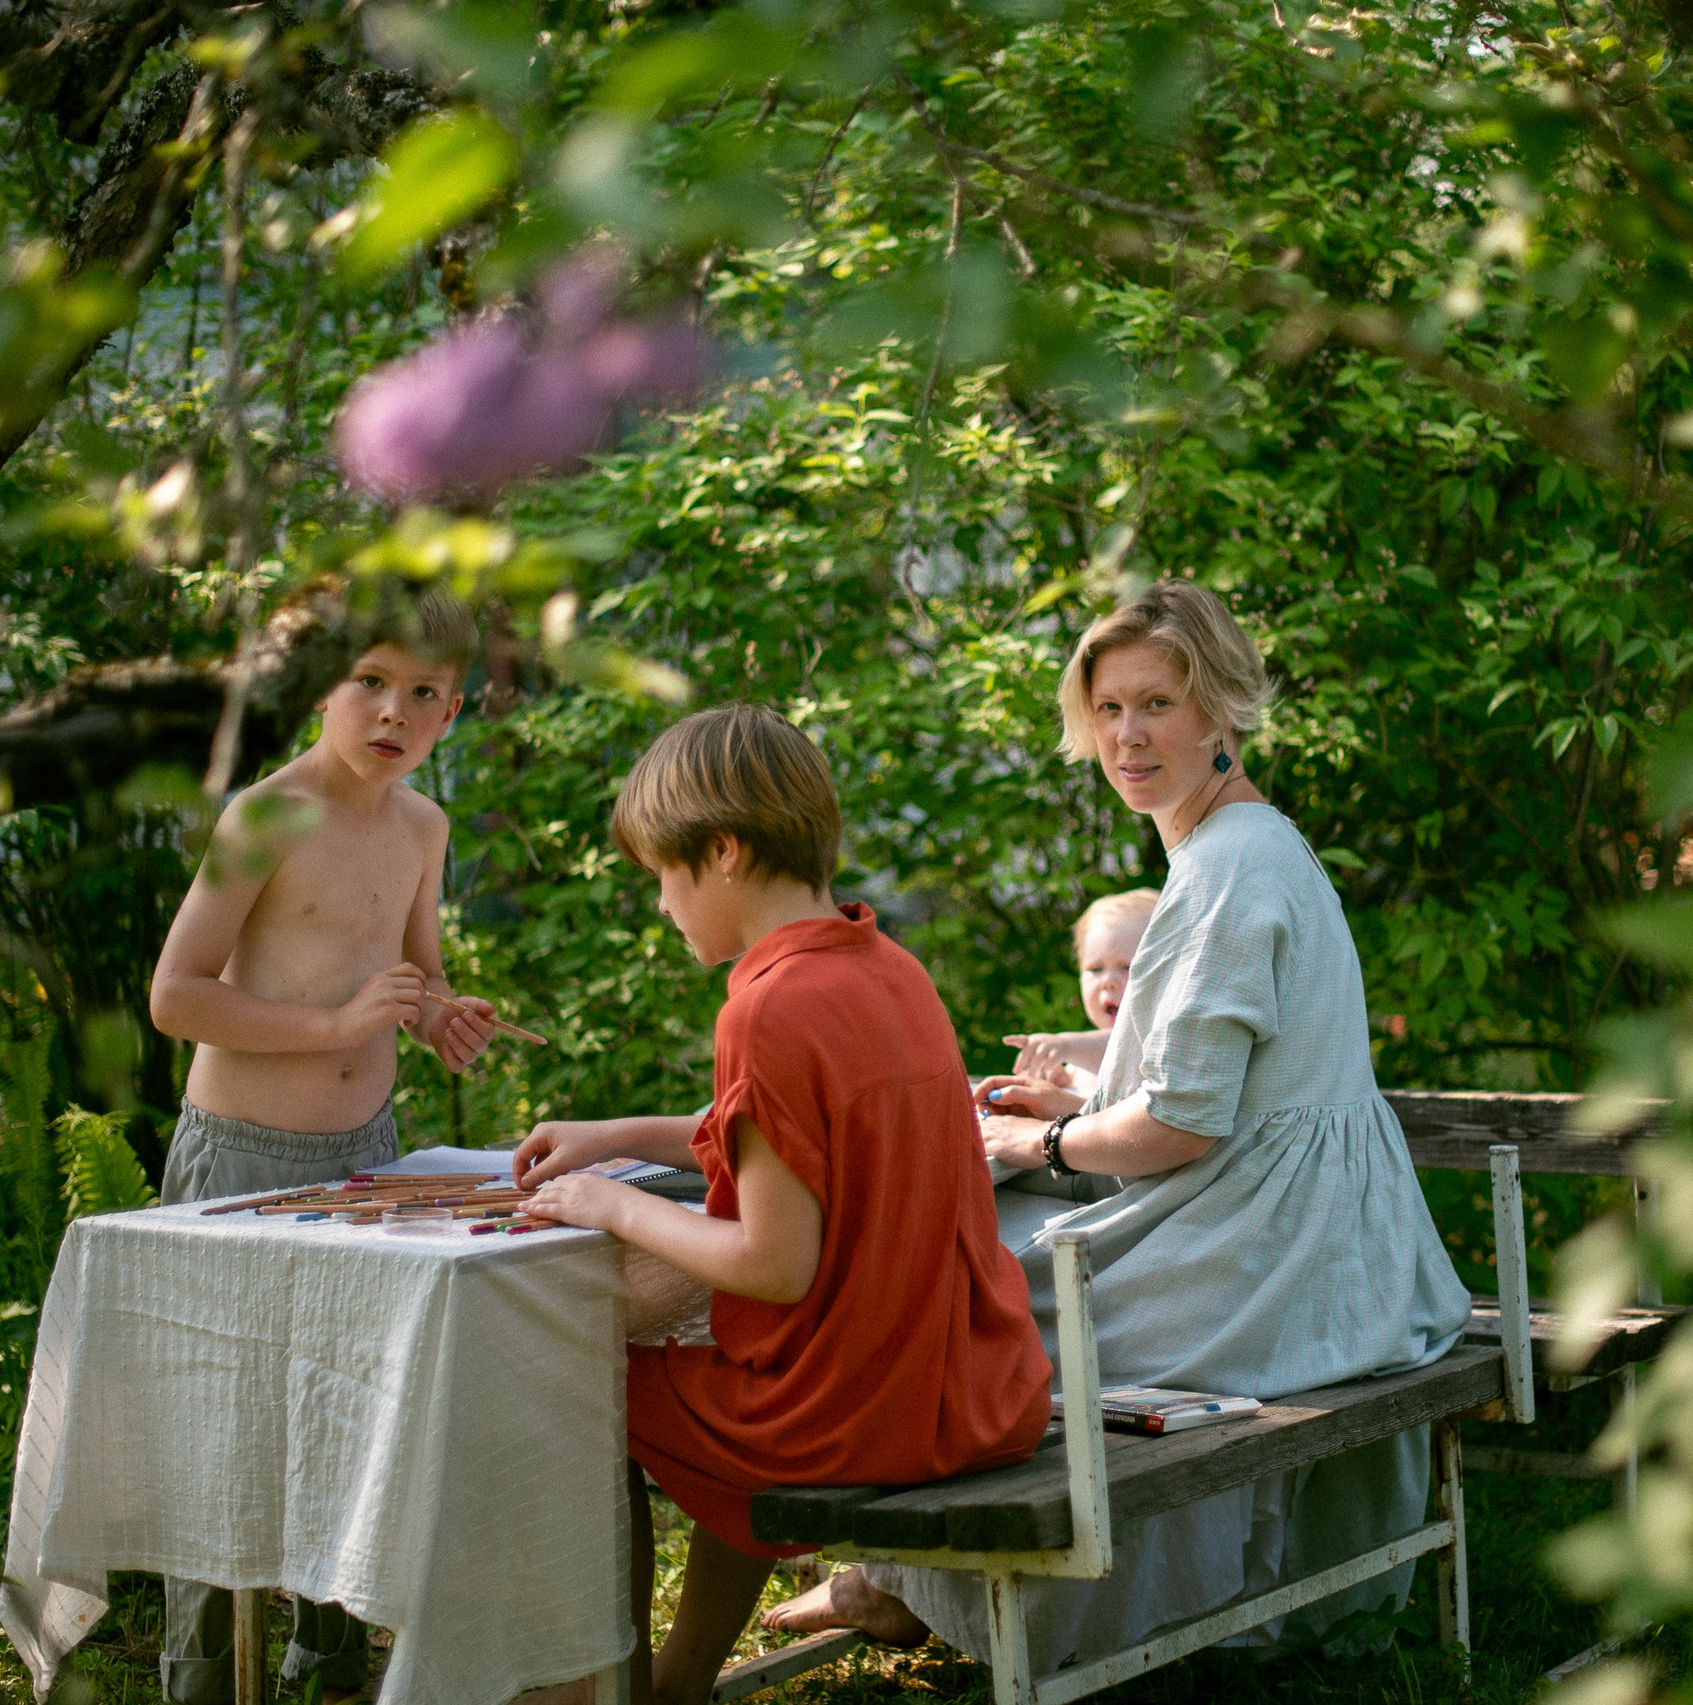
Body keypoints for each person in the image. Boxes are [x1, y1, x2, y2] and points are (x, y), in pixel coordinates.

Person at [766, 580, 1472, 1673]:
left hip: (1272, 1251)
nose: (1128, 735)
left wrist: (1031, 1144)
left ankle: (913, 1576)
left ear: (1222, 709)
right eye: (1108, 709)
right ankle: (912, 1578)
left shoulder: (1227, 869)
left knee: (950, 1275)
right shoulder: (1247, 843)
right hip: (1313, 1229)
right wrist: (1076, 1105)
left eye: (1158, 703)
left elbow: (1185, 1128)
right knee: (977, 1244)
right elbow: (1223, 1088)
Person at [511, 703, 1052, 1705]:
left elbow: (772, 1261)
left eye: (663, 878)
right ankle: (677, 1682)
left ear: (720, 850)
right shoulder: (885, 967)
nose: (663, 907)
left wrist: (608, 1204)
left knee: (574, 1388)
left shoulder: (763, 1006)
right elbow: (801, 1140)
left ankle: (618, 1690)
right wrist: (619, 1135)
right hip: (973, 1387)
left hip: (854, 1417)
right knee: (704, 1368)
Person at [146, 591, 499, 1705]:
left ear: (452, 713)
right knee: (225, 1428)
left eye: (425, 694)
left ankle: (331, 1655)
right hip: (242, 1158)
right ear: (322, 686)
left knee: (349, 1405)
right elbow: (174, 997)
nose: (395, 710)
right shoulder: (269, 814)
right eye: (371, 681)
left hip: (366, 1153)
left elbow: (415, 962)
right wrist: (335, 1025)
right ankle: (199, 1673)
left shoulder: (423, 825)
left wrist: (438, 1013)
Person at [1001, 888, 1159, 1095]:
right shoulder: (1079, 1062)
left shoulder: (1158, 1046)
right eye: (1095, 969)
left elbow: (1128, 1049)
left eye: (1127, 967)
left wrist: (1066, 1045)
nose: (1108, 982)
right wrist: (1059, 1084)